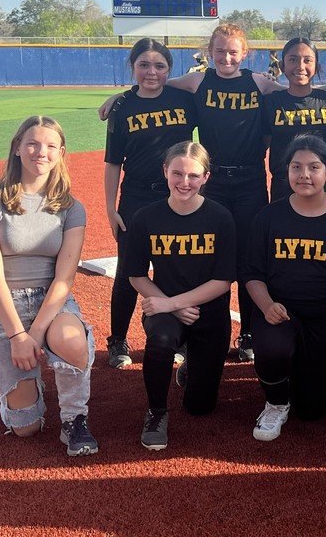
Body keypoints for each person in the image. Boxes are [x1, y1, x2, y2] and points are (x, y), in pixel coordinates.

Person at [98, 23, 281, 364]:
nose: (226, 57)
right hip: (171, 190)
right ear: (208, 53)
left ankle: (244, 335)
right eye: (220, 51)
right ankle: (122, 339)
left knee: (238, 261)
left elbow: (295, 92)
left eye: (233, 51)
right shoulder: (194, 84)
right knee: (147, 266)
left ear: (244, 53)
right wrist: (119, 96)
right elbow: (151, 86)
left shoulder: (251, 84)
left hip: (236, 185)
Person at [0, 116, 98, 457]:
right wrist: (16, 336)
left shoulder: (71, 208)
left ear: (61, 153)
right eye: (33, 143)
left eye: (50, 146)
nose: (41, 152)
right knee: (25, 428)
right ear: (16, 148)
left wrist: (35, 335)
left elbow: (64, 279)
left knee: (72, 341)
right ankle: (26, 388)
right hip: (5, 306)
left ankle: (75, 420)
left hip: (52, 304)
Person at [242, 135, 326, 441]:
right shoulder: (269, 216)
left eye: (314, 167)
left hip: (324, 317)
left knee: (313, 410)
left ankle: (320, 372)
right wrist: (266, 306)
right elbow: (251, 274)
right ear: (286, 172)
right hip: (279, 313)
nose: (304, 175)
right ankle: (275, 402)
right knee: (273, 349)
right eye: (296, 167)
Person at [126, 141, 237, 451]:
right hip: (163, 309)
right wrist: (169, 307)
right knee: (160, 340)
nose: (184, 182)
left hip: (207, 313)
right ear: (165, 172)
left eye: (192, 175)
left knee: (200, 406)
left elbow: (224, 279)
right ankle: (156, 413)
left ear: (205, 177)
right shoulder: (146, 218)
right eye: (177, 173)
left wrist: (177, 303)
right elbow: (136, 275)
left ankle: (191, 361)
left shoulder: (220, 218)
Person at [103, 39, 197, 369]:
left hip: (178, 194)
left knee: (177, 265)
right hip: (138, 197)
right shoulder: (123, 109)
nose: (151, 72)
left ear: (169, 70)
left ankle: (180, 338)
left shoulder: (184, 99)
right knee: (131, 270)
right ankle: (117, 339)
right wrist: (111, 208)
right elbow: (113, 162)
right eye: (144, 65)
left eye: (159, 66)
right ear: (133, 67)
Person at [263, 38, 326, 201]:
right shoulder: (271, 102)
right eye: (293, 60)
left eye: (307, 60)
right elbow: (265, 141)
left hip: (325, 187)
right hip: (283, 188)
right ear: (282, 67)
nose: (300, 66)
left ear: (317, 67)